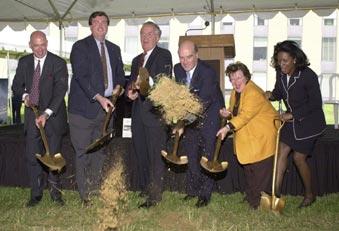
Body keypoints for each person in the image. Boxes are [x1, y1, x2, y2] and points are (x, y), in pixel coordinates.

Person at [68, 11, 125, 205]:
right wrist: (100, 97)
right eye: (96, 22)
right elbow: (81, 77)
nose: (100, 25)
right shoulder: (80, 47)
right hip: (83, 110)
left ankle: (94, 188)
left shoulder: (115, 49)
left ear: (108, 26)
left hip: (106, 109)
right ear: (90, 26)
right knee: (83, 152)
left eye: (104, 22)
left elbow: (119, 75)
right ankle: (86, 196)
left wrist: (119, 86)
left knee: (99, 152)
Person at [265, 40, 326, 208]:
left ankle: (309, 195)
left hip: (310, 123)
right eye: (279, 61)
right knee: (281, 152)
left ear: (295, 59)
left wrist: (292, 114)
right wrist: (271, 95)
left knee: (299, 158)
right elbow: (279, 91)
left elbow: (315, 103)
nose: (281, 64)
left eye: (285, 61)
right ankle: (274, 195)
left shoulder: (308, 75)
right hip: (291, 121)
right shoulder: (280, 72)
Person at [12, 31, 68, 207]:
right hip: (31, 117)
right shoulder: (24, 62)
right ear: (30, 45)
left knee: (53, 156)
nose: (40, 48)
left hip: (53, 117)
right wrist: (25, 96)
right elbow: (16, 85)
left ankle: (55, 194)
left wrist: (46, 113)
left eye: (43, 44)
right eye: (36, 45)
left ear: (47, 43)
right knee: (32, 157)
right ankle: (36, 194)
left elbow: (60, 91)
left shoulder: (58, 63)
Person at [217, 62, 278, 209]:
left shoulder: (253, 93)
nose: (236, 82)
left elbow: (245, 116)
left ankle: (259, 204)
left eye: (239, 77)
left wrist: (227, 127)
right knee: (249, 170)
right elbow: (236, 112)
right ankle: (252, 197)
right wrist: (229, 114)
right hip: (248, 138)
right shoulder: (235, 92)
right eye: (232, 78)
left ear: (246, 76)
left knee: (259, 172)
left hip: (262, 138)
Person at [173, 40, 224, 207]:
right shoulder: (177, 68)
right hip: (190, 115)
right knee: (191, 153)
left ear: (197, 55)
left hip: (209, 114)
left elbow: (202, 102)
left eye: (188, 57)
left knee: (207, 156)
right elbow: (181, 95)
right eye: (181, 57)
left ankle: (205, 194)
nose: (185, 62)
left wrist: (182, 122)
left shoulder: (208, 72)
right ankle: (193, 190)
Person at [126, 21, 172, 208]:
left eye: (149, 34)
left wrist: (143, 83)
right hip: (137, 114)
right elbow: (131, 82)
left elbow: (162, 82)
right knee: (142, 153)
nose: (145, 37)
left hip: (154, 115)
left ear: (158, 37)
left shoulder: (164, 55)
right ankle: (146, 187)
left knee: (155, 156)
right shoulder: (137, 59)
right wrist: (131, 91)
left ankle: (155, 196)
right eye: (142, 34)